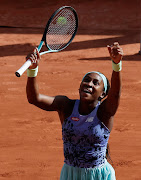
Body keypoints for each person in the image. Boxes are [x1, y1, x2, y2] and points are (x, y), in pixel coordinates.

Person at [26, 42, 123, 180]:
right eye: (86, 80)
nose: (89, 84)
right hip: (70, 175)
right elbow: (34, 98)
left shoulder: (104, 113)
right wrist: (32, 70)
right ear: (79, 87)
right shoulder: (66, 106)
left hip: (98, 176)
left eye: (96, 83)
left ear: (102, 94)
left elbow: (115, 95)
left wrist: (117, 65)